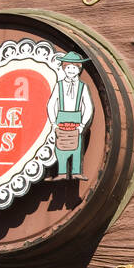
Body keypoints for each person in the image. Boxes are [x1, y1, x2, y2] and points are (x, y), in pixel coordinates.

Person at [45, 51, 94, 179]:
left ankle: (76, 171)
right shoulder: (59, 85)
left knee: (76, 147)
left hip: (76, 118)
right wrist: (53, 123)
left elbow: (88, 106)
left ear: (79, 69)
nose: (71, 70)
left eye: (74, 67)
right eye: (68, 67)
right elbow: (51, 104)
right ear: (64, 68)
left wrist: (83, 124)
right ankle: (61, 172)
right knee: (61, 146)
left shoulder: (82, 87)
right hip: (61, 117)